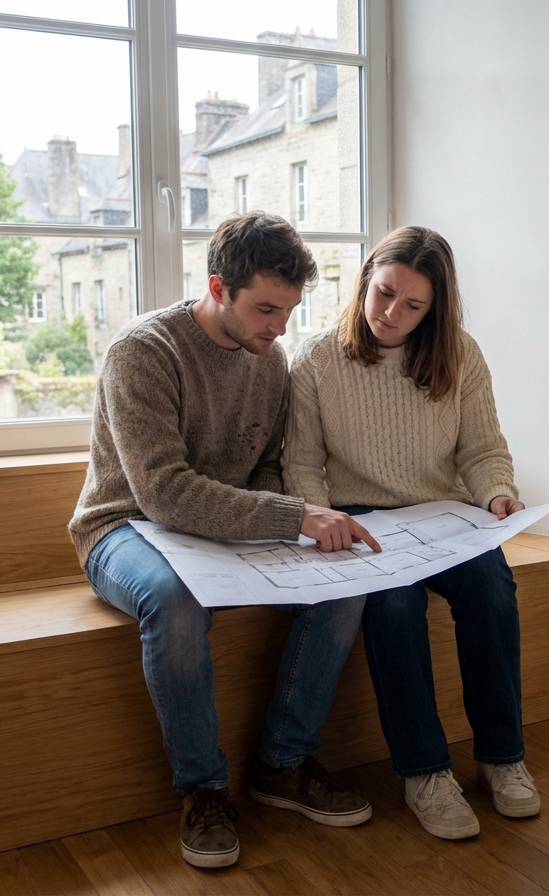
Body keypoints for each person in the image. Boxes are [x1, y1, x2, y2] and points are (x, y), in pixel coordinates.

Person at [69, 211, 381, 869]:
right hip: (125, 528)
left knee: (345, 581)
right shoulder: (143, 352)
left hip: (222, 533)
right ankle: (204, 791)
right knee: (174, 600)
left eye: (289, 310)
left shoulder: (270, 360)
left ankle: (283, 763)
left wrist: (284, 519)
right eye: (266, 308)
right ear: (217, 288)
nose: (280, 327)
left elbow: (266, 467)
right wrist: (295, 518)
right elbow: (165, 494)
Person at [282, 225, 538, 840]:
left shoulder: (461, 355)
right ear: (365, 280)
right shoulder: (317, 359)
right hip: (361, 519)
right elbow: (301, 464)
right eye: (384, 293)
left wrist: (497, 494)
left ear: (435, 310)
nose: (391, 313)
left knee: (492, 592)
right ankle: (425, 773)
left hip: (444, 515)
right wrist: (322, 522)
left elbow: (483, 450)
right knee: (394, 608)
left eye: (413, 304)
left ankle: (502, 756)